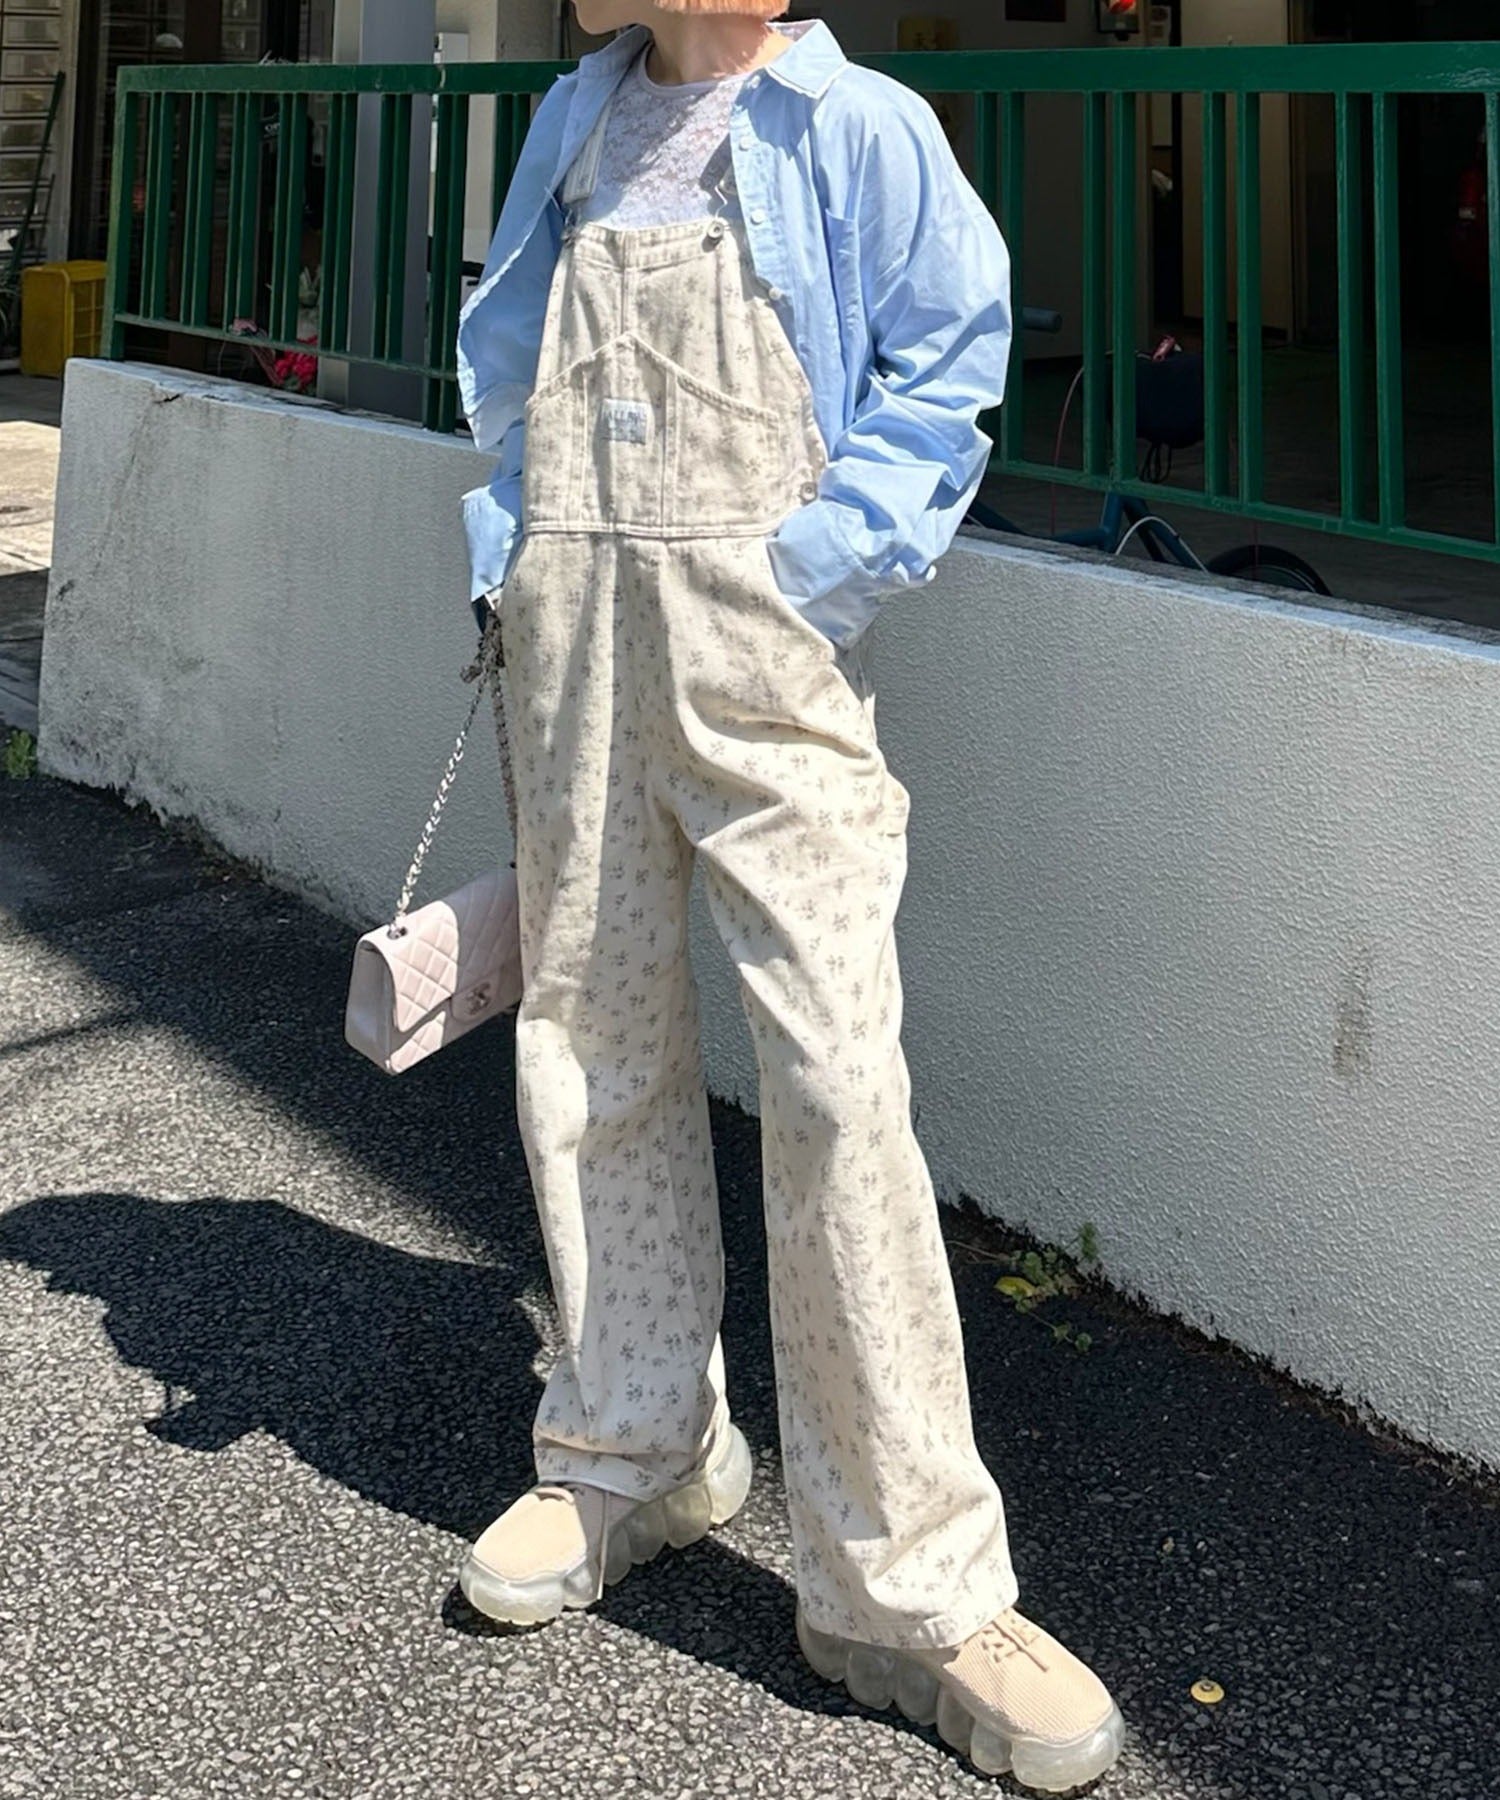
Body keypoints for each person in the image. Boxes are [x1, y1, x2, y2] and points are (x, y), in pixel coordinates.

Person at [453, 4, 1126, 1790]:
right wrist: (510, 548)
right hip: (573, 634)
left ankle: (910, 1590)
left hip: (767, 654)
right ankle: (631, 1449)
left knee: (835, 1083)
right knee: (588, 1043)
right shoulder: (574, 117)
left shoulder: (858, 124)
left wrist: (808, 573)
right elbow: (509, 356)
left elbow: (946, 363)